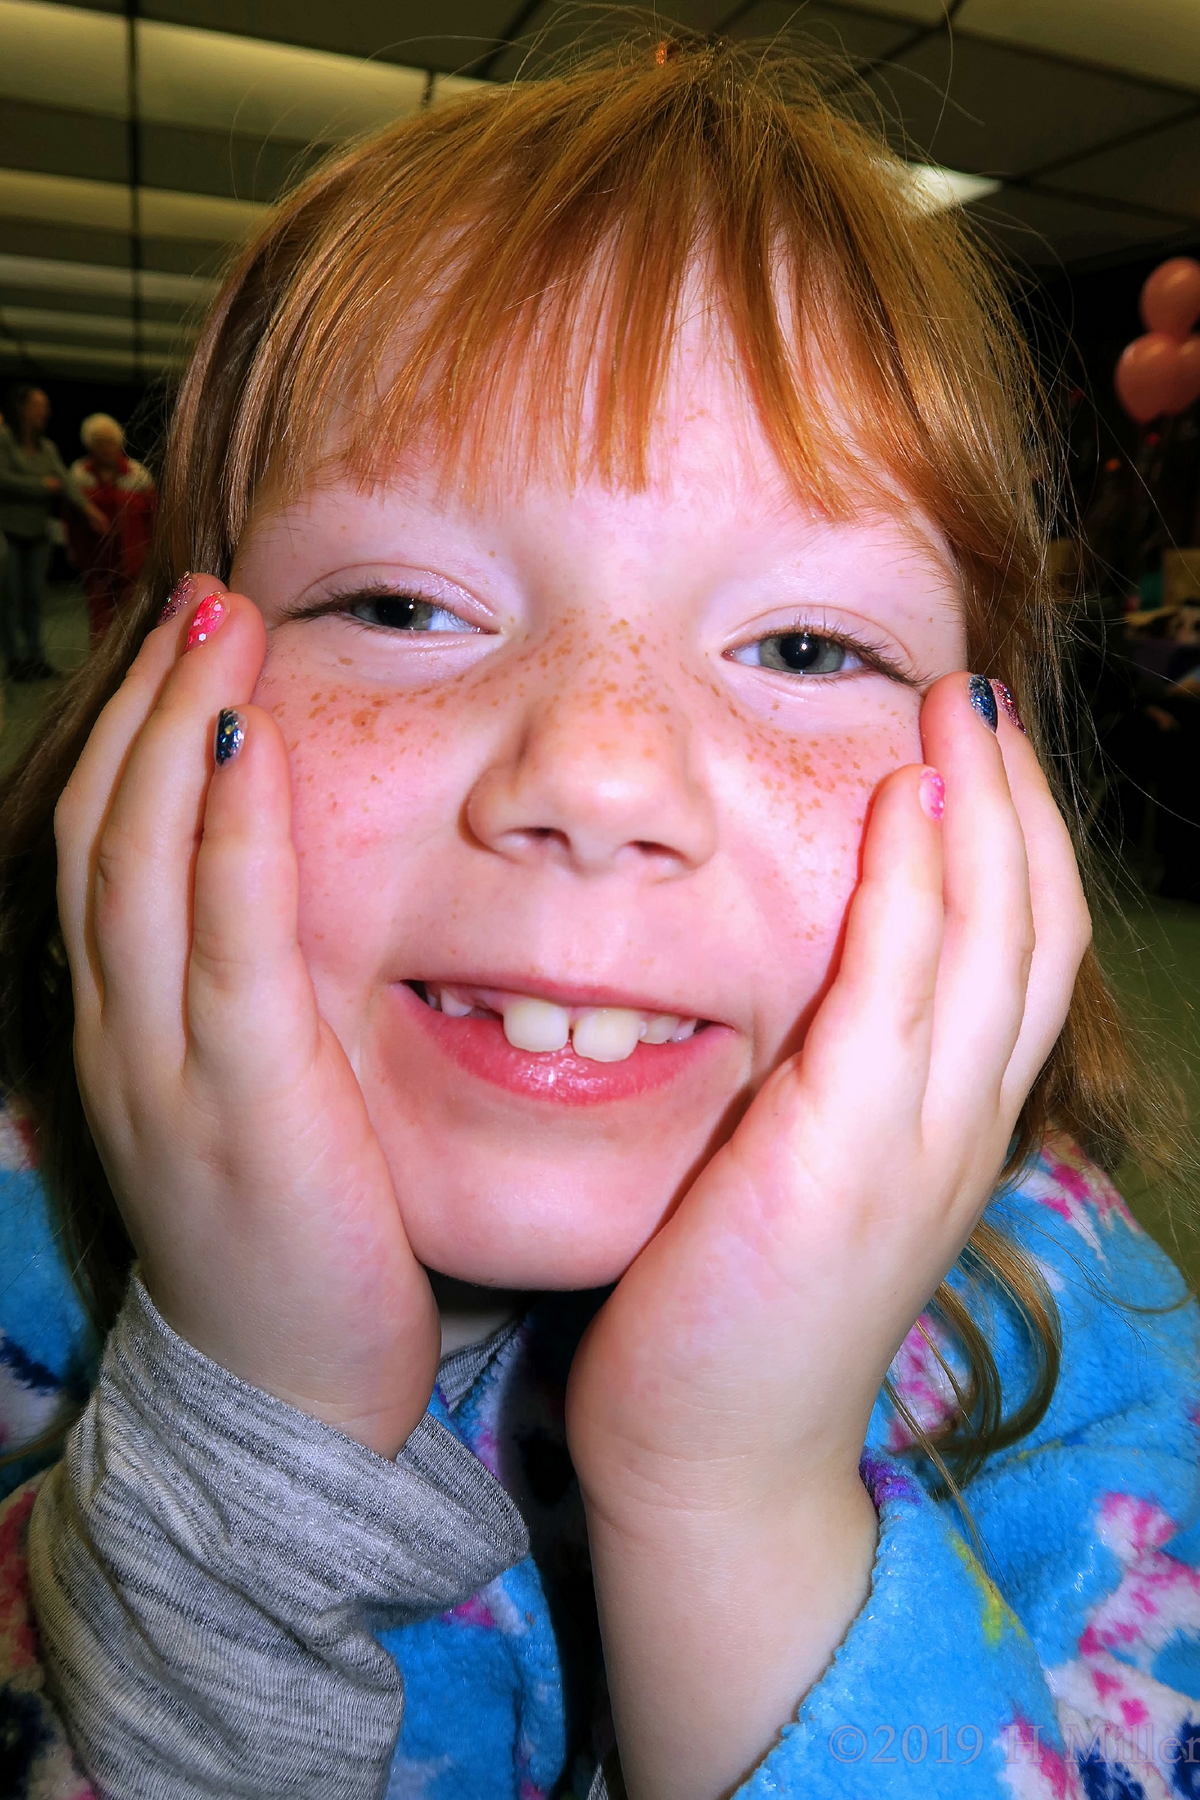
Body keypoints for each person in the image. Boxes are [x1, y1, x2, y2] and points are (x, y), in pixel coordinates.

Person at [0, 39, 1196, 1800]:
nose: (598, 770)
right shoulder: (37, 1262)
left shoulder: (1079, 1343)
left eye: (806, 648)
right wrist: (249, 1447)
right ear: (156, 710)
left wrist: (732, 1491)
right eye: (403, 604)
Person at [0, 385, 105, 682]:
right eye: (38, 405)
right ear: (22, 408)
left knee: (34, 597)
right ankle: (15, 659)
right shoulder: (5, 441)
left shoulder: (47, 448)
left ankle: (35, 656)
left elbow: (66, 483)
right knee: (9, 598)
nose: (44, 412)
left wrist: (90, 511)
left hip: (37, 537)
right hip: (8, 535)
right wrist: (41, 486)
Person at [67, 413, 156, 647]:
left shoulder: (138, 475)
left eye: (111, 441)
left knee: (131, 618)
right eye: (101, 442)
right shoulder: (79, 475)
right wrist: (72, 548)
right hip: (96, 560)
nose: (108, 448)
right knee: (100, 616)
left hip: (132, 561)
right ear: (91, 445)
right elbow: (70, 520)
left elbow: (153, 519)